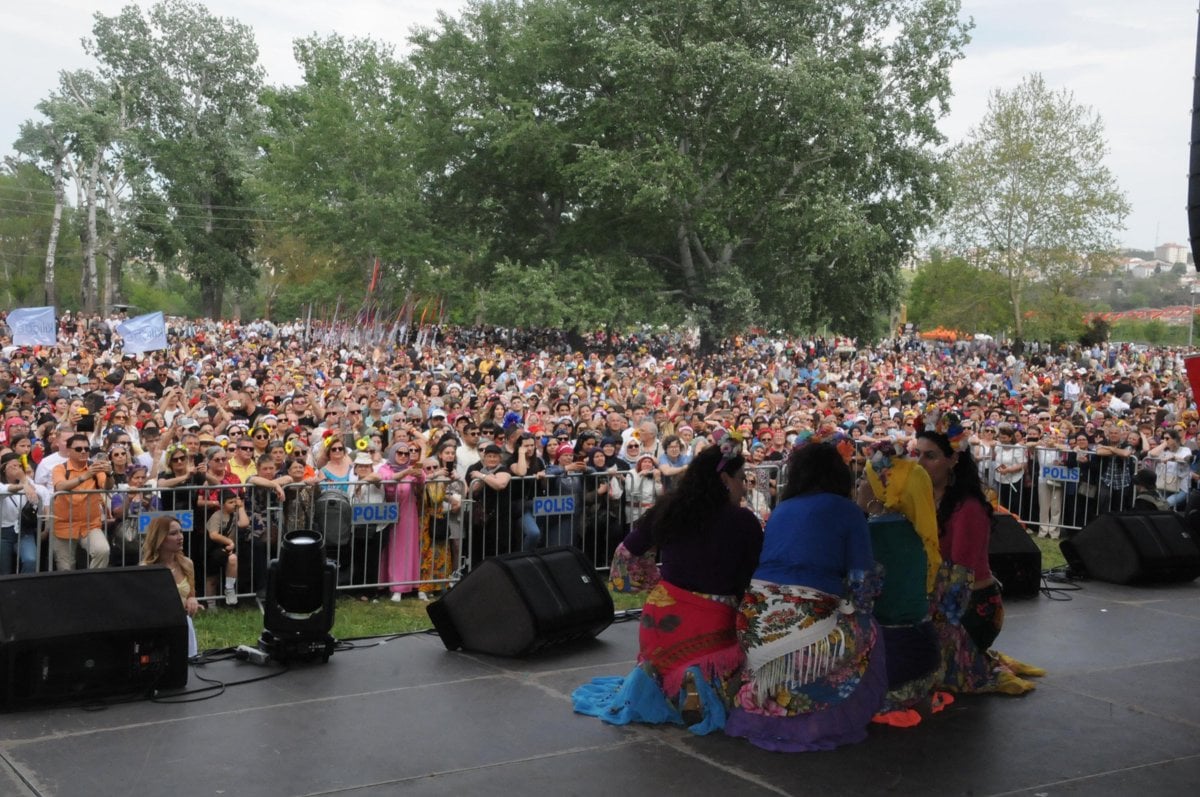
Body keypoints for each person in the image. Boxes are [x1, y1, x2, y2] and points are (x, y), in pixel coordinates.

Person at [573, 437, 762, 735]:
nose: (745, 486)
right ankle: (699, 683)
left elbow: (625, 553)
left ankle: (662, 681)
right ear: (725, 479)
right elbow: (751, 579)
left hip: (660, 616)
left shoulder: (669, 508)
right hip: (709, 622)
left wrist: (655, 584)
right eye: (741, 479)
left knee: (663, 666)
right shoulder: (743, 521)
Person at [724, 440, 885, 752]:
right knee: (870, 630)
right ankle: (824, 715)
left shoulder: (782, 509)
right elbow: (863, 583)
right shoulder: (848, 511)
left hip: (752, 621)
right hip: (807, 629)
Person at [914, 419, 1043, 696]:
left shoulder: (968, 507)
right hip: (940, 598)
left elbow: (963, 574)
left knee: (917, 670)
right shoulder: (922, 500)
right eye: (917, 454)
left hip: (969, 607)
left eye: (930, 456)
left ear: (953, 460)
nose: (920, 462)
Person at [854, 440, 944, 727]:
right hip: (925, 661)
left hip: (887, 662)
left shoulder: (868, 537)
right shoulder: (918, 536)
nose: (859, 484)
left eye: (865, 478)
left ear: (881, 490)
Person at [141, 514, 202, 657]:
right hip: (158, 628)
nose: (180, 537)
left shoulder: (187, 563)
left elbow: (190, 594)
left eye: (181, 532)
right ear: (160, 539)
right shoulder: (146, 568)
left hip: (183, 624)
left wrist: (192, 600)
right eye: (173, 533)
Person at [51, 433, 112, 570]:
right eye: (78, 449)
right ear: (68, 451)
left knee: (103, 550)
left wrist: (109, 474)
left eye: (86, 448)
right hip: (64, 525)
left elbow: (107, 487)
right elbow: (59, 486)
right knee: (66, 567)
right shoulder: (60, 468)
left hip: (90, 524)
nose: (83, 451)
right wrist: (85, 476)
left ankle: (93, 585)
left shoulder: (95, 468)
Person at [1, 451, 48, 574]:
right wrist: (23, 484)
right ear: (4, 468)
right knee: (4, 569)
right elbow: (7, 489)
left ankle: (24, 589)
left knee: (30, 560)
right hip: (3, 532)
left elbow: (39, 493)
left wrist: (24, 480)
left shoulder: (26, 480)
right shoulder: (3, 483)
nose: (18, 469)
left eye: (20, 466)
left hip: (24, 529)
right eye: (14, 466)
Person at [204, 489, 244, 606]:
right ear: (222, 504)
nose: (234, 504)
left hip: (228, 550)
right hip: (213, 550)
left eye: (234, 501)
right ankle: (211, 605)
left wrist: (241, 507)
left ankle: (230, 588)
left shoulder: (236, 515)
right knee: (212, 578)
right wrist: (229, 541)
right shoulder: (216, 516)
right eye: (230, 502)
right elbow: (213, 534)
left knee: (233, 559)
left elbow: (244, 523)